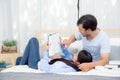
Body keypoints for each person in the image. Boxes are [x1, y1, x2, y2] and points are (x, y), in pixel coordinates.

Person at [16, 37, 92, 73]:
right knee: (19, 59)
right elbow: (68, 55)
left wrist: (46, 51)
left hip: (36, 65)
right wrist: (62, 46)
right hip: (42, 62)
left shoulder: (69, 69)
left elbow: (47, 69)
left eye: (76, 55)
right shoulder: (73, 62)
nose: (74, 54)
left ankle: (20, 67)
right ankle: (20, 63)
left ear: (79, 62)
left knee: (33, 40)